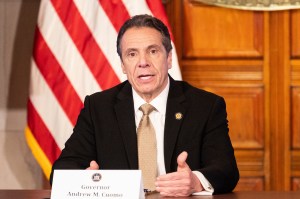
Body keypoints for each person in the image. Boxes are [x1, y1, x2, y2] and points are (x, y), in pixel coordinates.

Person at [50, 14, 239, 196]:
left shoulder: (205, 106)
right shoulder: (98, 107)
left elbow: (226, 170)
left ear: (169, 58)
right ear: (123, 65)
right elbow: (61, 171)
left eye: (153, 51)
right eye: (132, 54)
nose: (143, 62)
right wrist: (87, 182)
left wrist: (195, 182)